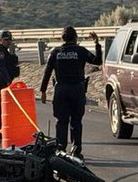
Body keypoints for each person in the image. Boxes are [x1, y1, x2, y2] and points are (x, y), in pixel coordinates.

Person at [40, 26, 101, 159]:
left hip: (61, 90)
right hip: (77, 90)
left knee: (61, 121)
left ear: (62, 38)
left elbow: (47, 72)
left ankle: (60, 149)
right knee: (76, 122)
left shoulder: (55, 52)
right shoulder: (81, 51)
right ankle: (76, 150)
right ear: (75, 38)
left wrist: (43, 91)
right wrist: (97, 43)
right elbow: (98, 61)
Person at [0, 29, 20, 146]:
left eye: (9, 40)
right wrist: (8, 82)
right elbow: (1, 67)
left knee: (1, 107)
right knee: (1, 107)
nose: (8, 42)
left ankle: (0, 132)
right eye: (6, 40)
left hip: (2, 82)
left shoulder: (5, 52)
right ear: (0, 40)